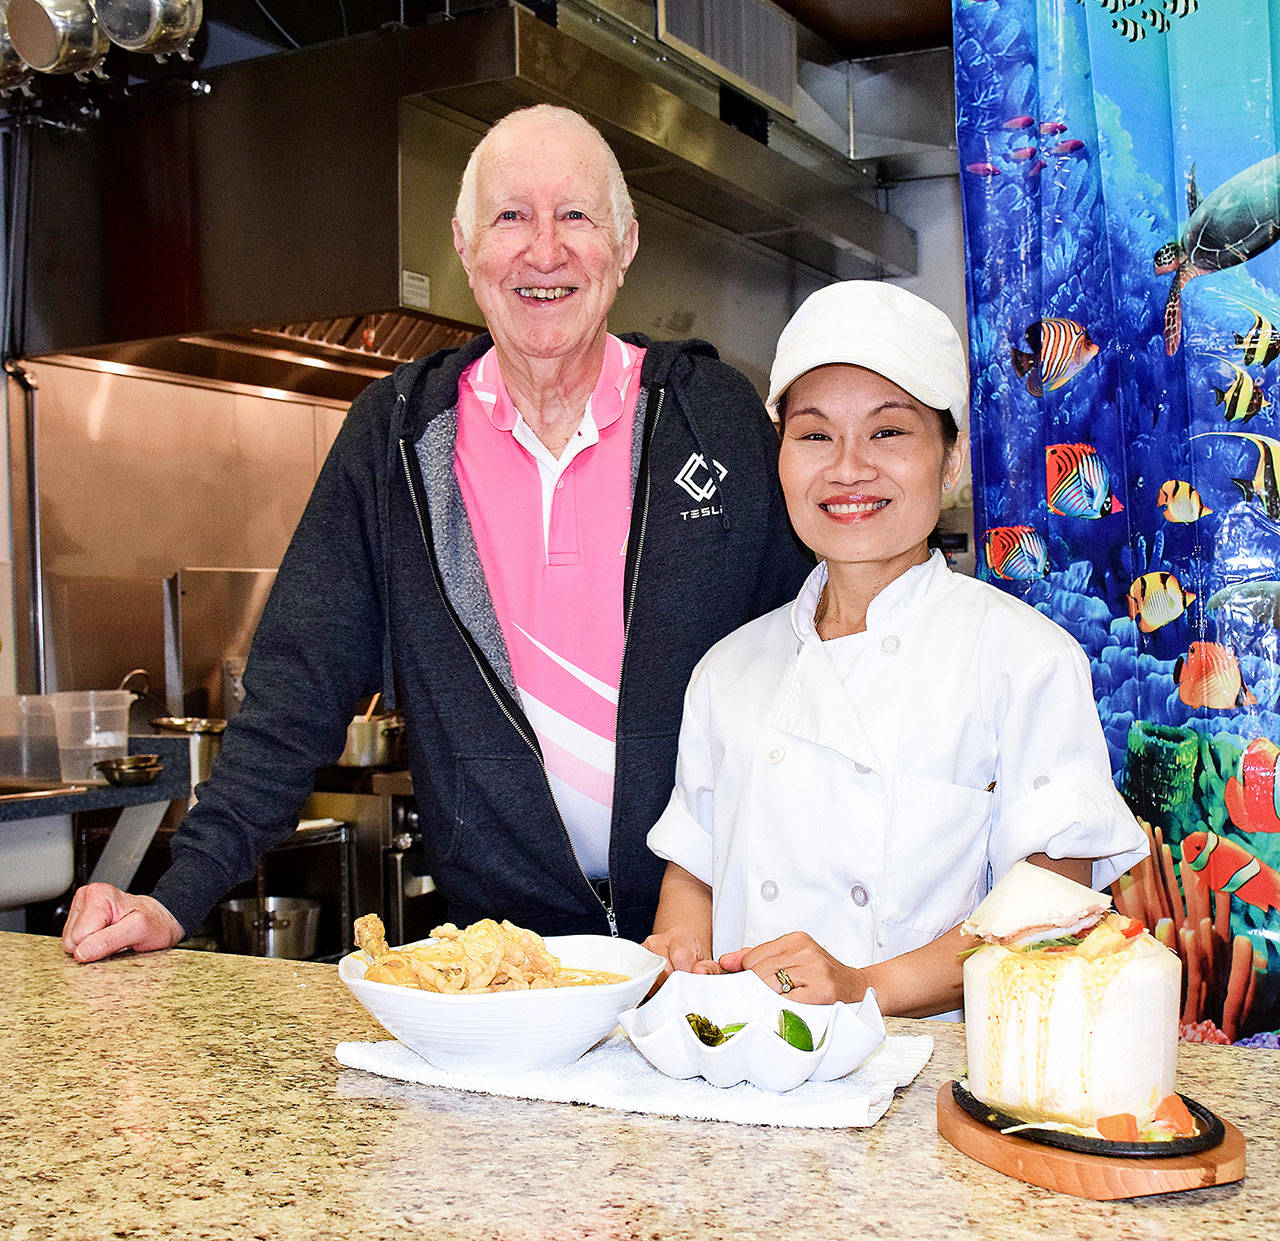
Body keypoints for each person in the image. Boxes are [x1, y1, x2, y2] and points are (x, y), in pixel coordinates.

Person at [62, 104, 809, 963]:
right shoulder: (396, 438)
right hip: (510, 965)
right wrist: (175, 894)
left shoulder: (712, 417)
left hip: (714, 948)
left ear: (626, 242)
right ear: (464, 245)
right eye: (511, 216)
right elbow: (296, 688)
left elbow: (816, 649)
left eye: (575, 215)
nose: (544, 251)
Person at [642, 281, 1148, 1019]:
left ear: (952, 461)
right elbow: (695, 869)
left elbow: (1050, 903)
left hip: (936, 1068)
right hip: (744, 1063)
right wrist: (678, 952)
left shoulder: (1024, 658)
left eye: (888, 433)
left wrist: (861, 987)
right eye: (814, 435)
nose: (848, 468)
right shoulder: (728, 669)